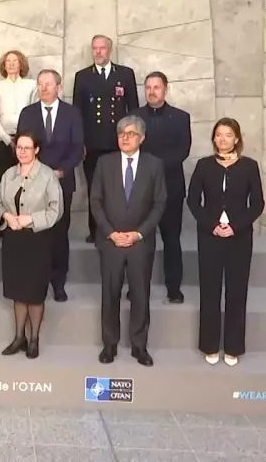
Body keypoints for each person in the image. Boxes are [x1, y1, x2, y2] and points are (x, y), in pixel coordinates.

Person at [89, 115, 166, 367]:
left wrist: (138, 233)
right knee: (109, 293)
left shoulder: (154, 165)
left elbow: (159, 204)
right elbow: (96, 201)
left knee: (140, 295)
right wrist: (110, 232)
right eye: (121, 133)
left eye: (131, 133)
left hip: (140, 242)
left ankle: (139, 346)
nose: (125, 137)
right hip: (110, 240)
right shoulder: (104, 162)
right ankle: (109, 345)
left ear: (141, 138)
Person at [187, 118, 264, 367]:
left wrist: (235, 226)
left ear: (237, 139)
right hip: (209, 237)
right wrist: (212, 225)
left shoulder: (249, 166)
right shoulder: (204, 165)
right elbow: (193, 201)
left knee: (236, 292)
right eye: (218, 134)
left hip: (239, 238)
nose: (222, 139)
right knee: (210, 291)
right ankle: (209, 345)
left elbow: (257, 204)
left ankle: (233, 346)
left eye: (227, 135)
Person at [0, 131, 62, 359]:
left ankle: (34, 340)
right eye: (19, 147)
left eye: (27, 148)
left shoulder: (47, 176)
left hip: (37, 240)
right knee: (18, 291)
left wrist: (30, 219)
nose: (22, 152)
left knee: (34, 293)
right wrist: (7, 217)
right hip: (13, 240)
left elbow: (55, 210)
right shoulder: (9, 174)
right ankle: (19, 337)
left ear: (36, 150)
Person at [16, 69, 83, 302]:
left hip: (63, 181)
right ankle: (36, 281)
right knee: (35, 232)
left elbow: (77, 148)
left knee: (58, 233)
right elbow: (24, 146)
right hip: (34, 182)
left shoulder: (72, 113)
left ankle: (58, 282)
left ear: (59, 88)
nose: (44, 88)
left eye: (49, 84)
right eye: (40, 84)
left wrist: (60, 171)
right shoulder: (28, 113)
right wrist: (41, 173)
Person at [133, 72, 192, 303]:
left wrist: (153, 165)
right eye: (148, 87)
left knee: (171, 240)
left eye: (156, 87)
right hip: (141, 190)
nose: (152, 91)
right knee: (140, 242)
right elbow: (130, 149)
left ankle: (173, 287)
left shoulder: (180, 117)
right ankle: (137, 287)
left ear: (165, 89)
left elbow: (182, 150)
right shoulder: (134, 117)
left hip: (171, 189)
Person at [74, 35, 139, 243]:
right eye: (95, 48)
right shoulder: (83, 76)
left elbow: (133, 110)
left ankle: (119, 228)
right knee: (95, 188)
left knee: (119, 187)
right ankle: (96, 230)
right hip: (92, 144)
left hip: (118, 143)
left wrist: (133, 140)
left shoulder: (125, 74)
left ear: (109, 50)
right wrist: (80, 143)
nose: (98, 52)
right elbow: (78, 113)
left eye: (102, 48)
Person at [0, 50, 37, 182]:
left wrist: (24, 138)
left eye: (14, 61)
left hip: (26, 140)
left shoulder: (31, 85)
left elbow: (34, 112)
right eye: (7, 62)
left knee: (25, 177)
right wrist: (6, 139)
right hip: (4, 141)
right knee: (4, 179)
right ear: (3, 65)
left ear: (20, 63)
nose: (11, 64)